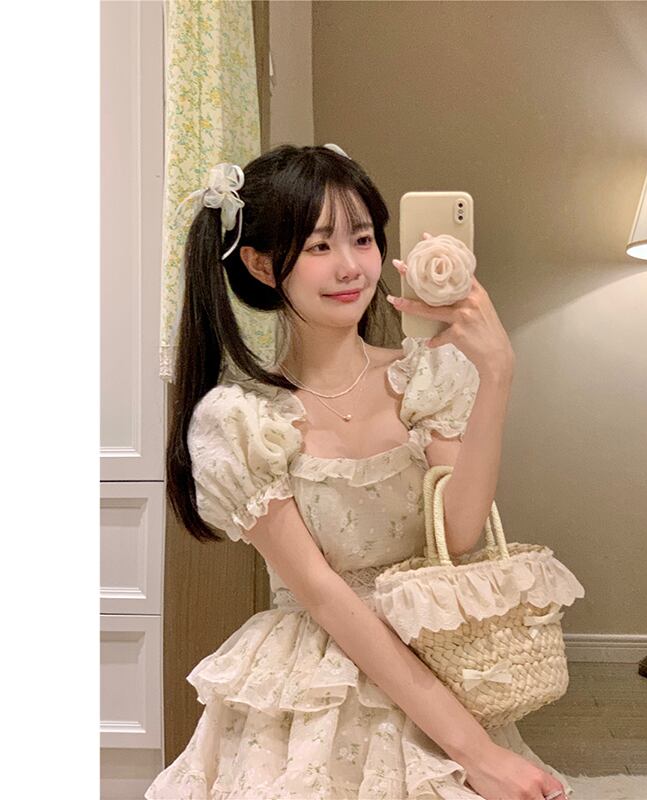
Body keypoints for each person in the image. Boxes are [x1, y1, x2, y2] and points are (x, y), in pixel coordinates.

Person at [145, 144, 573, 799]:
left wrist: (497, 374)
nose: (350, 266)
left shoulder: (426, 377)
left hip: (433, 652)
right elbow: (323, 595)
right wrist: (475, 751)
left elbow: (459, 535)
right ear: (260, 264)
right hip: (316, 677)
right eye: (319, 246)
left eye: (364, 239)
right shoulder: (241, 422)